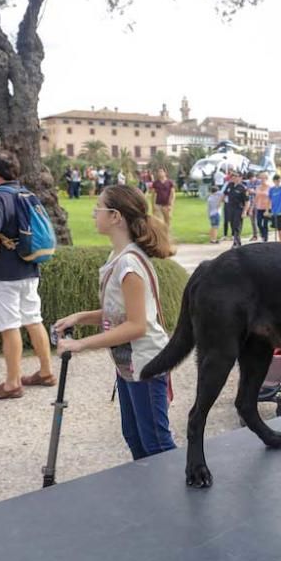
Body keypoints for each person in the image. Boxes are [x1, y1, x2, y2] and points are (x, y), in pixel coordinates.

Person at [52, 185, 177, 460]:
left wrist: (81, 344)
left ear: (115, 217)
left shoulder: (129, 265)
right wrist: (81, 317)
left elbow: (136, 326)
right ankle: (151, 493)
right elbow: (119, 313)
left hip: (146, 364)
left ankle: (178, 497)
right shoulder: (118, 258)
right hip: (128, 365)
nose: (93, 213)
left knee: (156, 444)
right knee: (134, 436)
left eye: (98, 208)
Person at [0, 150, 56, 399]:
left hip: (2, 273)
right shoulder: (27, 194)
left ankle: (12, 383)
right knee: (33, 319)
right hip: (29, 267)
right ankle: (46, 371)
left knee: (9, 326)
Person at [223, 171, 249, 247]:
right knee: (232, 225)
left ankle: (236, 242)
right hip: (230, 207)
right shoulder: (230, 185)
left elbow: (247, 201)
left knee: (237, 225)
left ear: (241, 178)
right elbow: (225, 194)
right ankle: (237, 241)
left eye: (237, 176)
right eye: (233, 176)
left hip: (238, 208)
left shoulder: (243, 188)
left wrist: (245, 211)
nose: (234, 178)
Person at [268, 174, 281, 243]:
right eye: (276, 180)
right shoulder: (271, 189)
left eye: (279, 180)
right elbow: (270, 200)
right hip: (274, 211)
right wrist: (269, 210)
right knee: (277, 229)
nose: (277, 182)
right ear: (274, 181)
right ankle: (279, 243)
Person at [254, 171, 272, 242]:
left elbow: (271, 198)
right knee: (258, 223)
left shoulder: (270, 188)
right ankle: (262, 235)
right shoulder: (258, 187)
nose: (262, 179)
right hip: (259, 207)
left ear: (266, 178)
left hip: (267, 208)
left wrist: (268, 209)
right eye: (260, 178)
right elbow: (256, 197)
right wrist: (253, 206)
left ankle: (265, 238)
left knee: (265, 223)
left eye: (263, 178)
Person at [245, 170, 261, 242]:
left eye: (251, 178)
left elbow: (259, 192)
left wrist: (253, 191)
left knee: (259, 220)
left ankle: (262, 233)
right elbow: (248, 191)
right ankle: (255, 235)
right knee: (253, 221)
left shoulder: (259, 182)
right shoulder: (248, 183)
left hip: (259, 203)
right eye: (249, 179)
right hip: (251, 202)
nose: (251, 180)